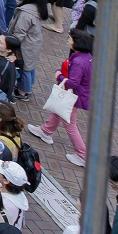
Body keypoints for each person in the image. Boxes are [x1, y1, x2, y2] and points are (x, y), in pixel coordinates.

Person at [27, 29, 92, 167]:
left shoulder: (79, 61)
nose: (68, 40)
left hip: (73, 95)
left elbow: (73, 82)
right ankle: (46, 131)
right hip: (79, 95)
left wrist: (59, 76)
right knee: (58, 111)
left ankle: (82, 155)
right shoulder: (87, 57)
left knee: (70, 124)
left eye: (70, 38)